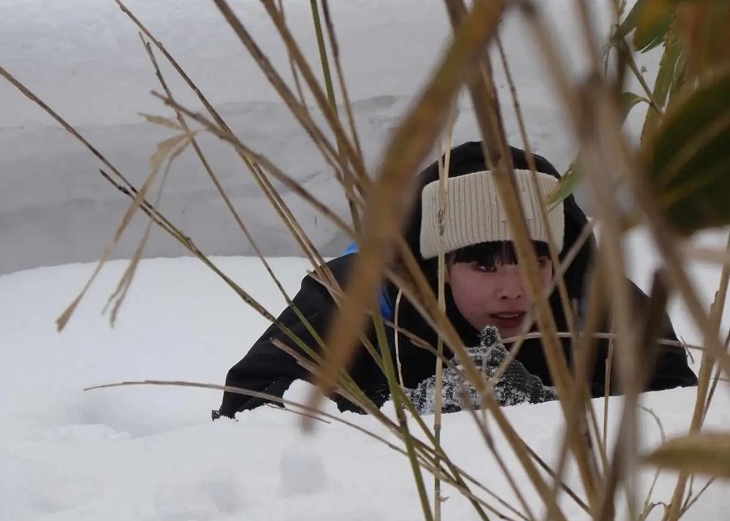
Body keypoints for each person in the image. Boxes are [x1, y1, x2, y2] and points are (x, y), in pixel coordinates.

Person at [214, 141, 699, 419]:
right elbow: (247, 410)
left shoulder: (606, 306)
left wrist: (553, 411)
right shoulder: (348, 304)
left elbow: (676, 416)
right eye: (483, 265)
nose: (512, 288)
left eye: (533, 263)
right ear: (439, 267)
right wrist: (404, 413)